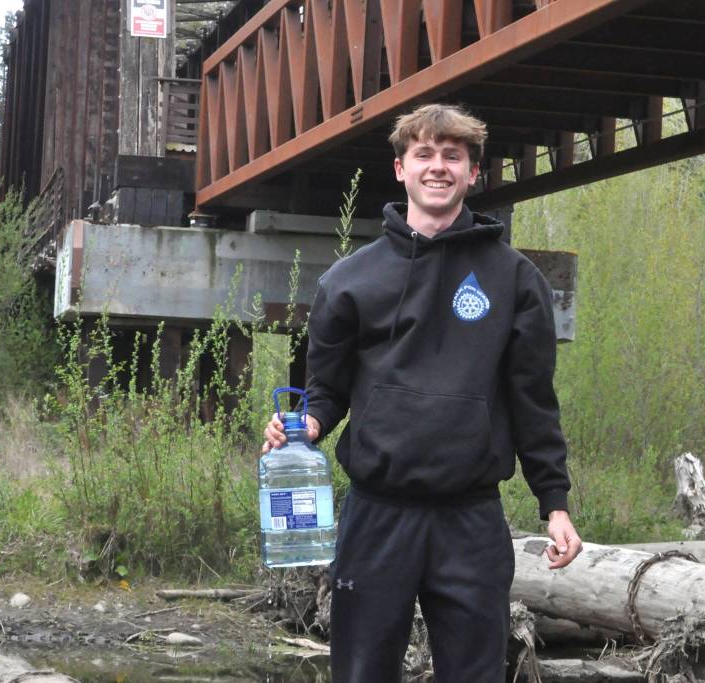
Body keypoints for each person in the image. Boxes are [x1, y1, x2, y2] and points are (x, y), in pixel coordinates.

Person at [262, 103, 581, 682]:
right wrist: (304, 427)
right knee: (362, 673)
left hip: (472, 519)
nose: (439, 167)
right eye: (425, 155)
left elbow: (534, 400)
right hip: (377, 515)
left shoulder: (514, 279)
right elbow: (326, 392)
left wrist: (554, 502)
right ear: (400, 168)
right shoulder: (349, 280)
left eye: (452, 156)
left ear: (473, 174)